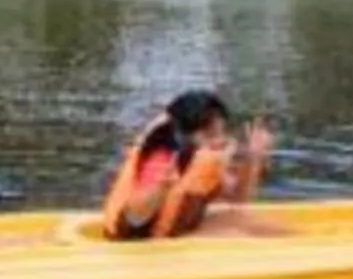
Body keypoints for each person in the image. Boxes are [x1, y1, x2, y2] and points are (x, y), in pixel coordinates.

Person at [101, 91, 276, 240]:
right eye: (210, 134)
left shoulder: (205, 157)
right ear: (184, 134)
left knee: (241, 221)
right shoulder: (161, 158)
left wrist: (254, 158)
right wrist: (160, 188)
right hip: (140, 248)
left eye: (221, 132)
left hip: (175, 233)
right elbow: (133, 221)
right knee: (238, 233)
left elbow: (237, 198)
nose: (219, 140)